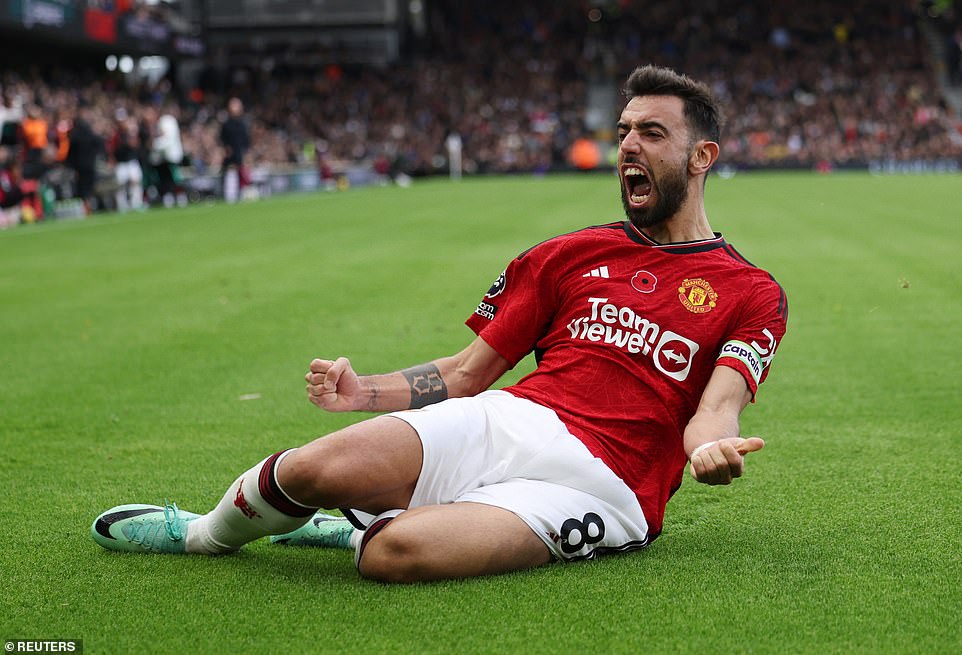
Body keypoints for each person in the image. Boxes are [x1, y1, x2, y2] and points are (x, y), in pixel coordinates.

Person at [91, 65, 788, 583]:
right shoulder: (568, 255)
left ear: (702, 157)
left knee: (390, 555)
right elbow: (466, 373)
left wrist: (708, 451)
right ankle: (204, 536)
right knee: (312, 467)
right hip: (509, 419)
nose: (629, 145)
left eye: (653, 133)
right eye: (624, 131)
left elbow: (715, 410)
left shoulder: (752, 291)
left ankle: (355, 526)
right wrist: (362, 392)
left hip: (602, 485)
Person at [220, 97, 250, 203]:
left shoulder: (243, 125)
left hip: (240, 156)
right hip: (231, 158)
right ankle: (230, 198)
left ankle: (241, 196)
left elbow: (246, 142)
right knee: (231, 178)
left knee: (242, 179)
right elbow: (223, 141)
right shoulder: (226, 125)